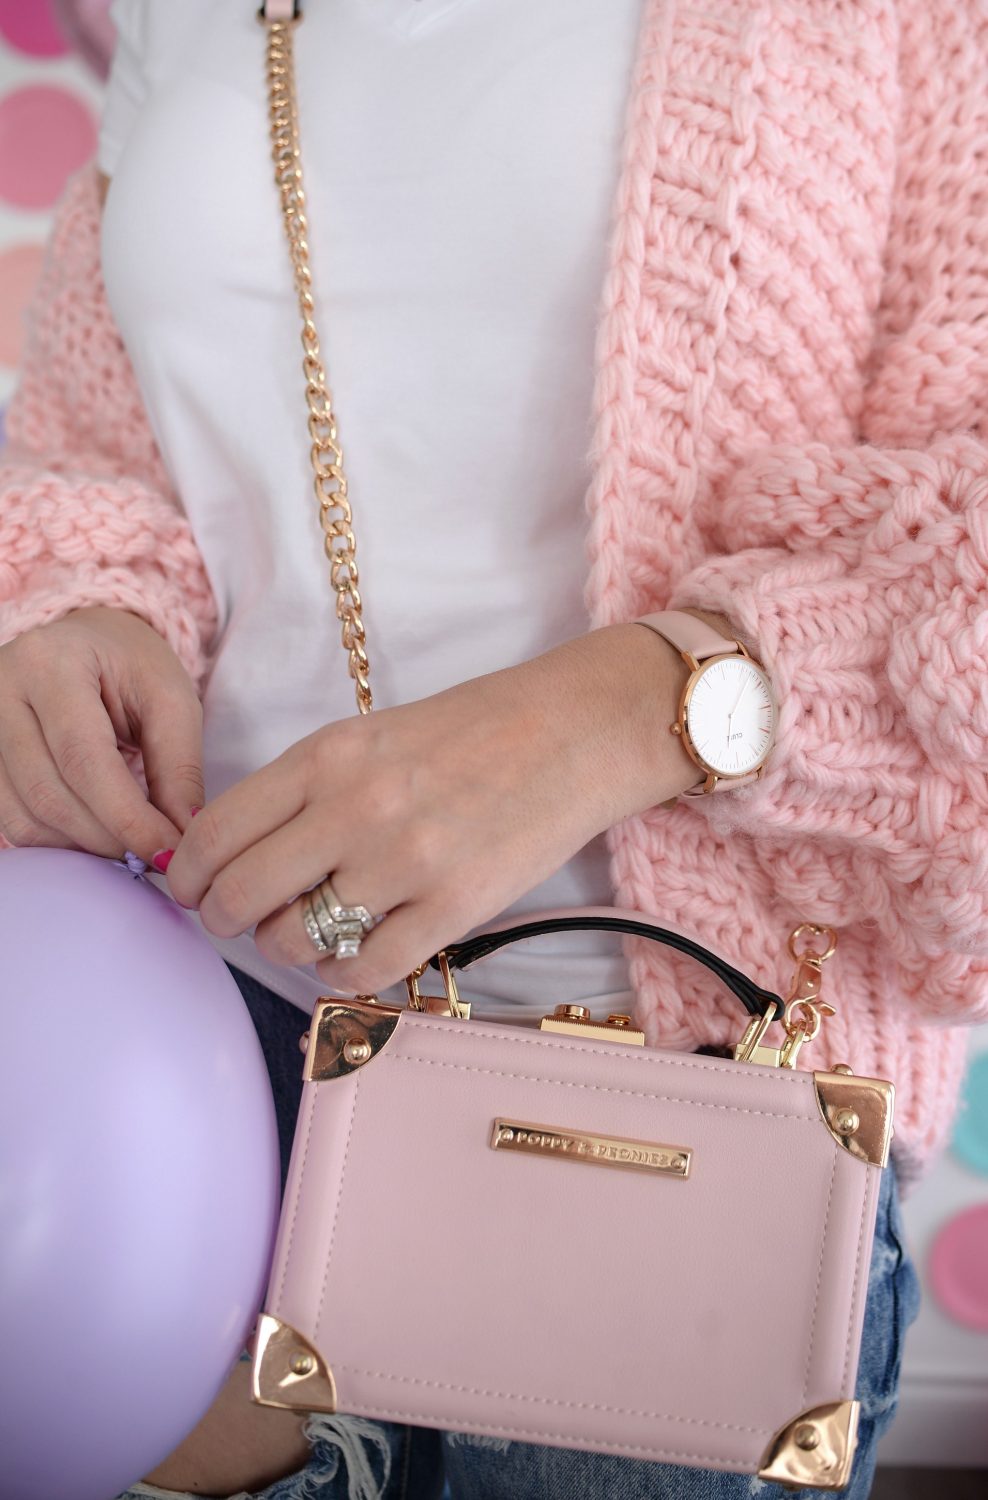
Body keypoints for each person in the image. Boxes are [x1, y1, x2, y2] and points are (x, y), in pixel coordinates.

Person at [1, 0, 985, 1494]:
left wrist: (631, 707)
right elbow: (107, 434)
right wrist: (86, 607)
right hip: (194, 1080)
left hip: (674, 1138)